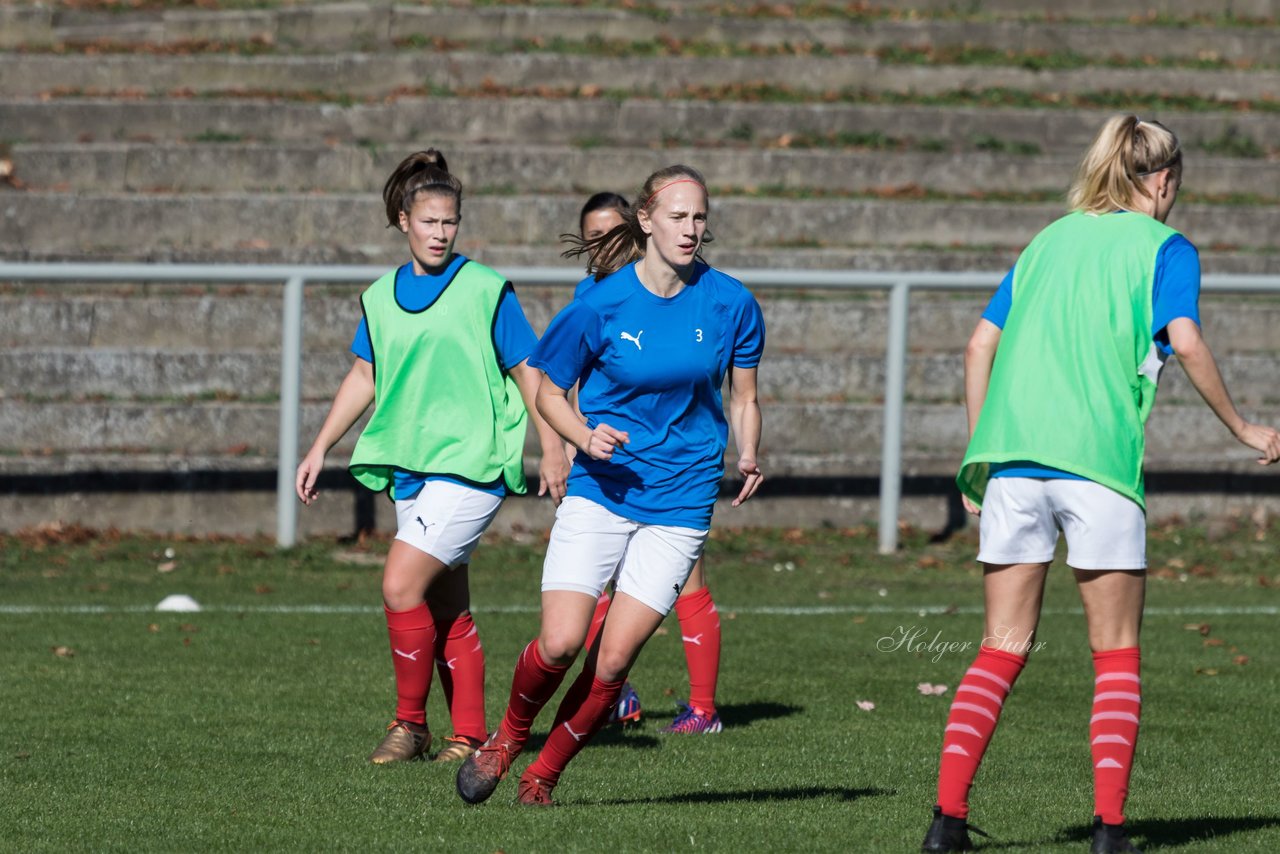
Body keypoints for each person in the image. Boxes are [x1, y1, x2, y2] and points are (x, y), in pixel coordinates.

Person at [921, 116, 1280, 854]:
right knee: (1114, 654)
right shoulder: (1165, 248)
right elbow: (1184, 339)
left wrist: (979, 451)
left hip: (1013, 464)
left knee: (1001, 647)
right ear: (1163, 179)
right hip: (1098, 468)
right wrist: (1245, 428)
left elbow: (978, 344)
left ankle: (946, 823)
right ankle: (1111, 833)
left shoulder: (1048, 239)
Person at [456, 164, 765, 807]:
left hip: (681, 498)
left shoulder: (731, 300)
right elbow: (545, 388)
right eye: (678, 217)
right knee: (564, 641)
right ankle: (508, 739)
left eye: (700, 217)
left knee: (615, 661)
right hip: (603, 488)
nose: (692, 229)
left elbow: (743, 395)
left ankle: (543, 776)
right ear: (645, 221)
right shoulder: (599, 303)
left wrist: (751, 447)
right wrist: (581, 435)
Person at [294, 149, 569, 766]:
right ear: (402, 220)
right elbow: (365, 375)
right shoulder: (380, 296)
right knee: (447, 609)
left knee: (398, 585)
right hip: (412, 468)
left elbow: (529, 370)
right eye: (429, 222)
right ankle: (469, 735)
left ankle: (409, 725)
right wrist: (319, 447)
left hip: (472, 465)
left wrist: (551, 446)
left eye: (451, 222)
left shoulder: (485, 289)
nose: (441, 233)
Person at [574, 191, 727, 733]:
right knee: (592, 585)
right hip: (607, 469)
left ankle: (703, 709)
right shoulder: (593, 298)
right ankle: (617, 693)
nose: (602, 246)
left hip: (677, 469)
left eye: (610, 233)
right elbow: (566, 386)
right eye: (592, 236)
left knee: (688, 581)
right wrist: (566, 445)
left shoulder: (691, 292)